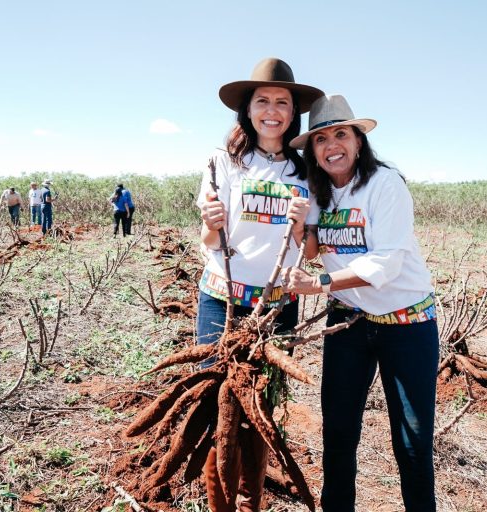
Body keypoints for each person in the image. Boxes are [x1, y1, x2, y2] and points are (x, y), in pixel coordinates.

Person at [280, 94, 439, 512]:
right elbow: (313, 248)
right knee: (338, 433)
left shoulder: (385, 184)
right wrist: (300, 225)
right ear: (312, 150)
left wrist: (320, 283)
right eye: (321, 139)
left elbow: (385, 263)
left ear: (358, 140)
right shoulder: (318, 191)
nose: (332, 145)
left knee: (412, 441)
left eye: (341, 134)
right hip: (349, 321)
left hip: (406, 323)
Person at [195, 57, 323, 512]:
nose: (272, 110)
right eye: (263, 101)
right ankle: (221, 502)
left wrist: (300, 226)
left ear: (294, 113)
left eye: (282, 102)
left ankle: (252, 504)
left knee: (262, 409)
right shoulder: (223, 162)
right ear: (247, 110)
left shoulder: (306, 171)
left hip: (275, 306)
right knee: (220, 406)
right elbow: (210, 239)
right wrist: (212, 223)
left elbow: (310, 252)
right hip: (221, 301)